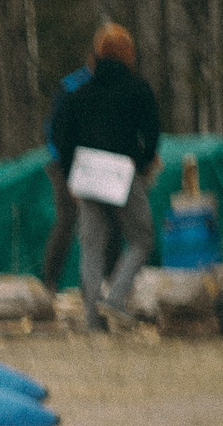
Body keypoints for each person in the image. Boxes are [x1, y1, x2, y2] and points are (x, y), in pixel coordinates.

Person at [50, 23, 163, 330]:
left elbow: (62, 139)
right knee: (142, 240)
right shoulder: (138, 88)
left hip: (87, 175)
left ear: (99, 53)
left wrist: (72, 176)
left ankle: (92, 321)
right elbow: (152, 132)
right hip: (122, 173)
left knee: (91, 248)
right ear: (127, 54)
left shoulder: (80, 93)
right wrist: (140, 164)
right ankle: (115, 297)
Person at [38, 53, 93, 290]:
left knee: (97, 226)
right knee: (67, 221)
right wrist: (63, 165)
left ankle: (95, 283)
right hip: (66, 164)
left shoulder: (102, 85)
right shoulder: (72, 85)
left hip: (94, 163)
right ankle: (50, 282)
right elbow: (53, 130)